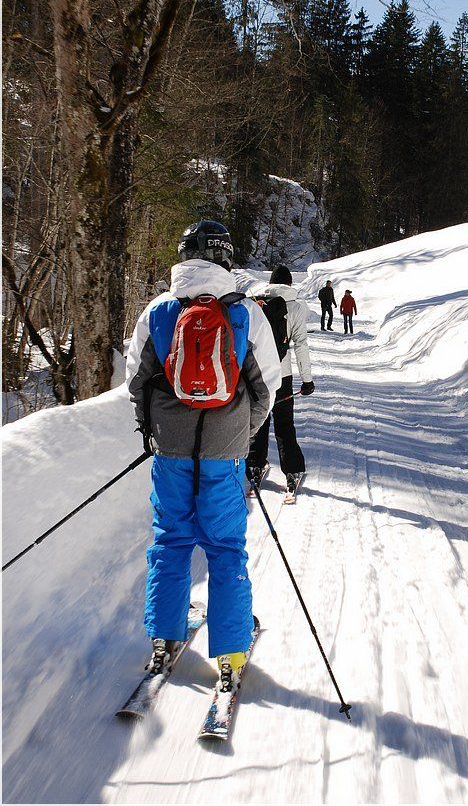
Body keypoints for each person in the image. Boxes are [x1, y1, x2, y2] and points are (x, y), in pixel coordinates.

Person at [126, 220, 281, 686]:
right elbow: (266, 387)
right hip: (224, 453)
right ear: (224, 256)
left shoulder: (158, 311)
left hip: (170, 451)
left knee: (171, 541)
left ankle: (163, 638)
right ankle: (231, 653)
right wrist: (241, 436)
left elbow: (137, 381)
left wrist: (151, 431)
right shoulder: (246, 314)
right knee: (226, 546)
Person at [248, 265, 314, 495]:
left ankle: (255, 464)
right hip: (282, 375)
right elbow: (301, 344)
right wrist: (307, 380)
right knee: (284, 422)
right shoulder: (295, 307)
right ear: (290, 284)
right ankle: (292, 469)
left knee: (260, 420)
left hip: (257, 375)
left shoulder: (256, 304)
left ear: (270, 283)